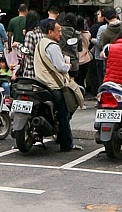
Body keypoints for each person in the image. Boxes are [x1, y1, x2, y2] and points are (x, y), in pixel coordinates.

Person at [35, 19, 81, 152]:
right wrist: (68, 65)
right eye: (58, 31)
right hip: (54, 85)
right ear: (50, 32)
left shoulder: (40, 43)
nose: (60, 33)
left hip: (41, 83)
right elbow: (61, 67)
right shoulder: (53, 46)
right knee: (64, 113)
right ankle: (66, 143)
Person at [18, 12, 43, 79]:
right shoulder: (41, 33)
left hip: (30, 69)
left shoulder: (30, 34)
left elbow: (26, 51)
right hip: (40, 68)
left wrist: (18, 45)